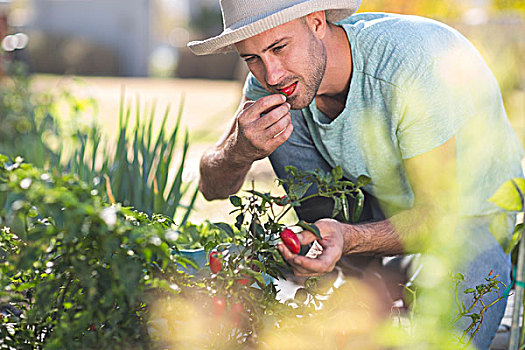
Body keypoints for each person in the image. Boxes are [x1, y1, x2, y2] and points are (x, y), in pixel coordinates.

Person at [187, 0, 524, 348]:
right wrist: (240, 151)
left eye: (279, 48)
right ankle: (349, 282)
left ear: (317, 22)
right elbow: (212, 187)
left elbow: (439, 220)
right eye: (252, 59)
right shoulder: (276, 85)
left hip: (467, 222)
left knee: (469, 281)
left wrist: (350, 238)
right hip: (372, 221)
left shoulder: (410, 63)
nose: (271, 75)